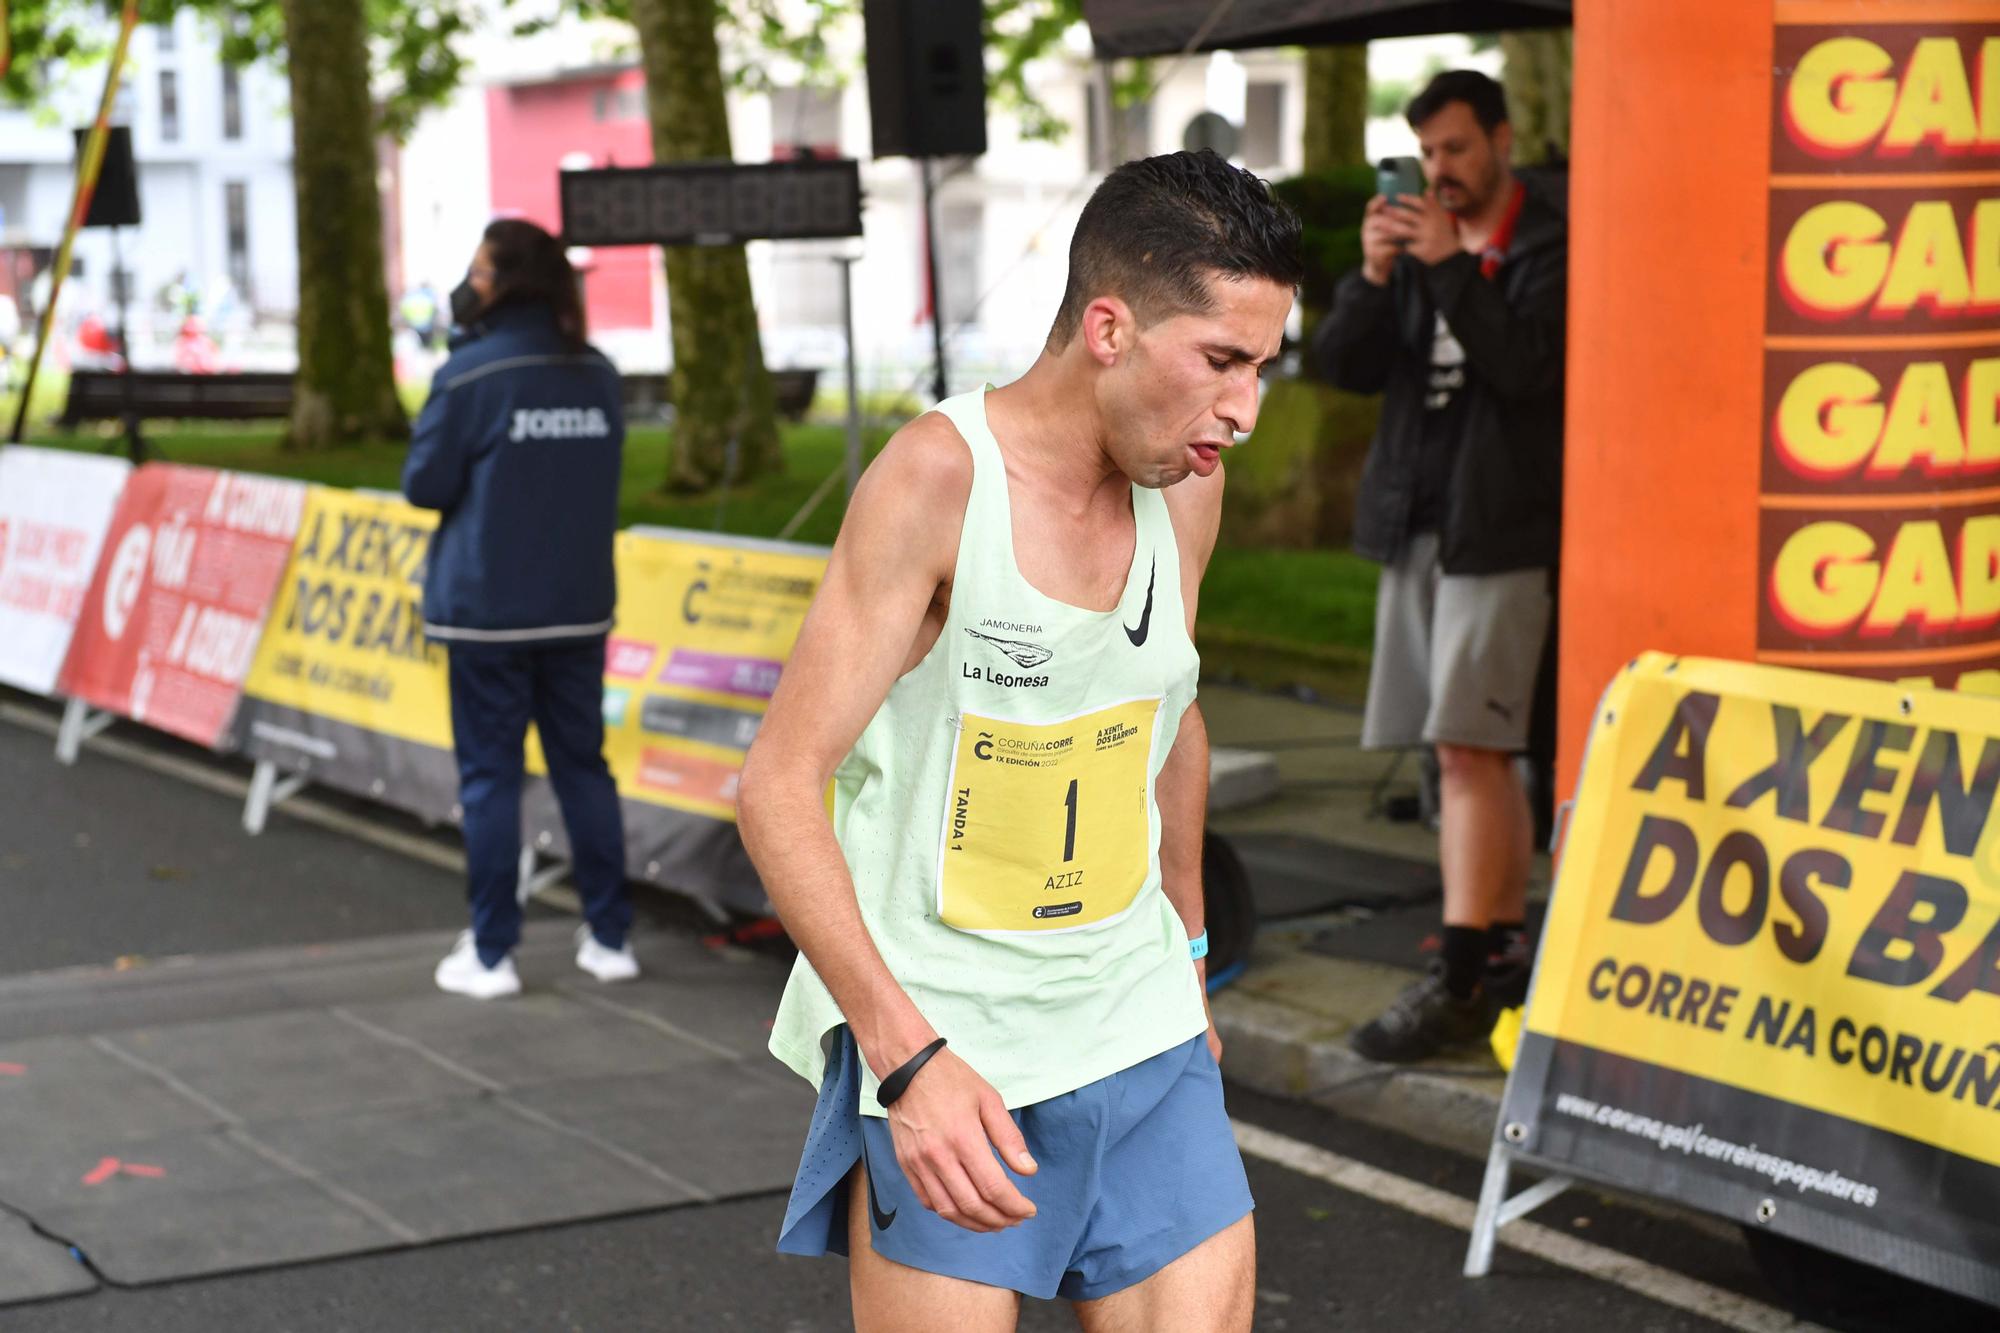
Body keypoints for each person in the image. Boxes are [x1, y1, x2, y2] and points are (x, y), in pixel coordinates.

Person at [738, 150, 1300, 1331]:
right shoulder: (938, 481)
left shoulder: (1183, 479)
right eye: (1220, 362)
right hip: (952, 1050)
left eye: (1261, 368)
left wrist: (1188, 949)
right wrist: (905, 1062)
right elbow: (778, 786)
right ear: (1108, 327)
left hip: (1136, 1022)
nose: (1243, 411)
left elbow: (1169, 714)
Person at [1316, 69, 1567, 1063]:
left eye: (1455, 149)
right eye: (1424, 155)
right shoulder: (1415, 244)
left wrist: (1454, 266)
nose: (1438, 172)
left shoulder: (1546, 240)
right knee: (1449, 747)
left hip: (1501, 525)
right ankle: (1488, 947)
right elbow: (1340, 366)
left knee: (1469, 745)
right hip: (1417, 516)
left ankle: (1467, 969)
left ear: (1501, 138)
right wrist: (1376, 276)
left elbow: (1528, 371)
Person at [403, 218, 636, 1000]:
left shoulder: (469, 377)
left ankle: (493, 952)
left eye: (478, 269)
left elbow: (424, 484)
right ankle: (610, 937)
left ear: (507, 284)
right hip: (576, 607)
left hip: (487, 612)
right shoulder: (598, 374)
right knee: (584, 768)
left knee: (491, 779)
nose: (468, 284)